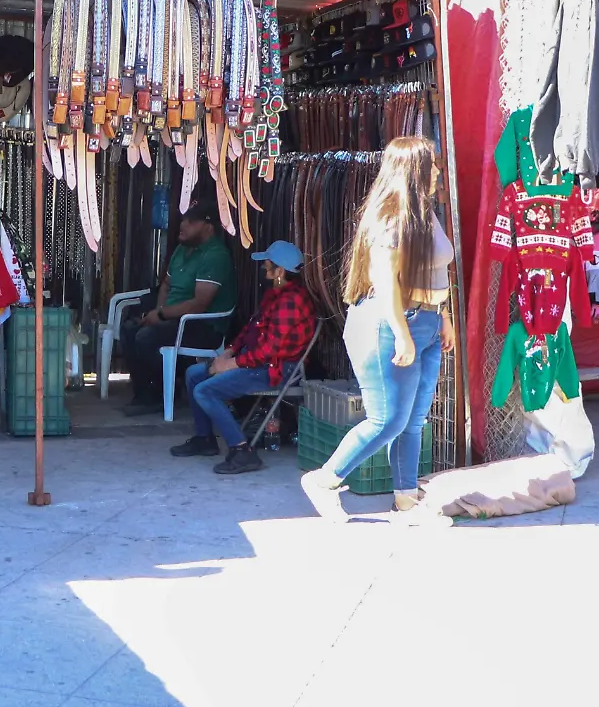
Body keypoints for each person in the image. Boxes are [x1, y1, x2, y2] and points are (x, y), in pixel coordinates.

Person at [301, 137, 456, 520]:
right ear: (413, 170)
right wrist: (403, 332)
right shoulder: (391, 217)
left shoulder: (424, 212)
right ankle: (325, 480)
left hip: (427, 322)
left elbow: (437, 269)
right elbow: (384, 281)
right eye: (431, 164)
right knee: (387, 419)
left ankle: (406, 499)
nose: (437, 170)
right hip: (389, 324)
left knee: (412, 419)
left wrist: (444, 317)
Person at [171, 240, 317, 474]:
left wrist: (230, 364)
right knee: (193, 375)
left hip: (276, 370)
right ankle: (204, 439)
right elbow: (250, 331)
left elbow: (269, 351)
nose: (263, 270)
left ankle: (242, 452)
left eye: (267, 266)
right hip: (256, 362)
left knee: (205, 390)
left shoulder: (291, 302)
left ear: (280, 272)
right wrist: (229, 351)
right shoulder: (275, 295)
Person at [121, 199, 237, 417]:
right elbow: (165, 285)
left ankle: (167, 389)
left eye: (190, 222)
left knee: (146, 337)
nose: (182, 225)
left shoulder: (215, 256)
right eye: (184, 219)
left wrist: (162, 315)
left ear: (208, 227)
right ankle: (145, 395)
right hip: (175, 319)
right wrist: (159, 311)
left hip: (203, 326)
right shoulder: (182, 250)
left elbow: (199, 304)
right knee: (129, 329)